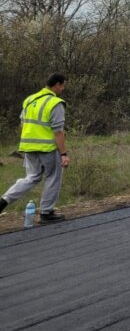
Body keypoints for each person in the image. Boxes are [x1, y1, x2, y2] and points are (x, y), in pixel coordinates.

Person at [0, 73, 71, 222]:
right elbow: (58, 131)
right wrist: (63, 153)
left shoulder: (30, 100)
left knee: (32, 177)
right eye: (62, 85)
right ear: (57, 85)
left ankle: (4, 201)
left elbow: (23, 123)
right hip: (48, 148)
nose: (63, 89)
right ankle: (46, 213)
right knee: (53, 177)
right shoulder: (55, 103)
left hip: (29, 146)